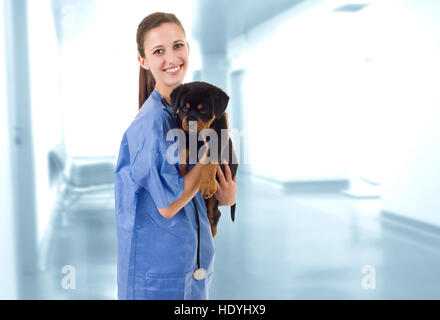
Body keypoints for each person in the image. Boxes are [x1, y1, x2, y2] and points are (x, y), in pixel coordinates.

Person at [114, 12, 236, 300]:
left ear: (188, 49)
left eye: (177, 46)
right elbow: (169, 204)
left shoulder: (180, 113)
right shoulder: (151, 123)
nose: (171, 58)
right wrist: (213, 149)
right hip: (156, 281)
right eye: (159, 51)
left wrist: (226, 196)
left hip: (189, 271)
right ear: (143, 61)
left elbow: (199, 189)